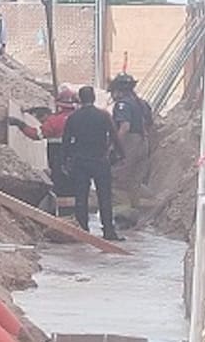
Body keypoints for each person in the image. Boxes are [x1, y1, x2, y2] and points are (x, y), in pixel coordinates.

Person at [61, 85, 125, 241]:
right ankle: (108, 231)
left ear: (80, 99)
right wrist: (120, 154)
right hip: (100, 160)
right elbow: (114, 136)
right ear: (94, 98)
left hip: (80, 161)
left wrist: (65, 160)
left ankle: (83, 231)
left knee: (81, 197)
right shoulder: (103, 116)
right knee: (105, 196)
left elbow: (66, 140)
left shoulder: (73, 117)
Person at [8, 84, 80, 199]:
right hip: (78, 158)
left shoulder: (56, 121)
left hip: (58, 156)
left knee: (60, 183)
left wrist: (20, 124)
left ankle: (62, 208)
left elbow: (37, 134)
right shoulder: (79, 117)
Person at [110, 73, 154, 219]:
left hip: (130, 142)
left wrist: (114, 145)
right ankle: (135, 215)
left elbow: (125, 126)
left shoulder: (122, 105)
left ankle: (123, 217)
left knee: (118, 180)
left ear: (118, 90)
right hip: (144, 142)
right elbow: (150, 125)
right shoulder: (142, 104)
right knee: (134, 181)